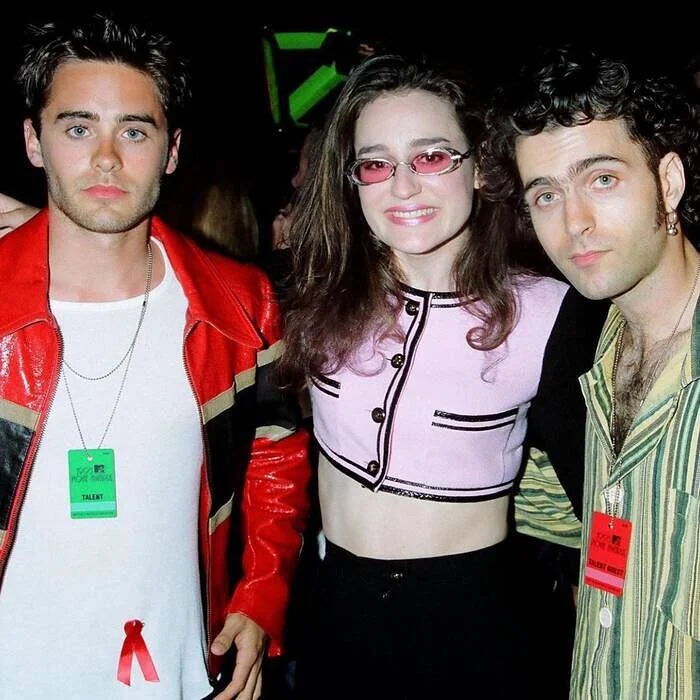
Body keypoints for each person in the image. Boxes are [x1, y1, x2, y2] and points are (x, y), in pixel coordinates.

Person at [0, 11, 310, 700]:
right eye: (78, 128)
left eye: (134, 131)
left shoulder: (241, 303)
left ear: (172, 151)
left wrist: (261, 597)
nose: (107, 157)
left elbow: (277, 455)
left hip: (181, 672)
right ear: (33, 141)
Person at [278, 53, 608, 700]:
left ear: (479, 167)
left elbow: (600, 487)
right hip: (333, 608)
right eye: (376, 164)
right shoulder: (317, 295)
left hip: (472, 621)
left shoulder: (551, 313)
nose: (402, 187)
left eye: (431, 157)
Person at [480, 44, 700, 698]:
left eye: (602, 179)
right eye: (547, 195)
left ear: (668, 182)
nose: (573, 223)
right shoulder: (587, 349)